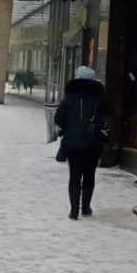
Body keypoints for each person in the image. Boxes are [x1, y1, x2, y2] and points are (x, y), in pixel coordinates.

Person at [54, 65, 111, 220]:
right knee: (89, 175)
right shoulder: (99, 97)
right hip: (93, 142)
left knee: (74, 176)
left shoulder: (68, 97)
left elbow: (58, 119)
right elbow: (108, 112)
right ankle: (85, 208)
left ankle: (74, 211)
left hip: (72, 143)